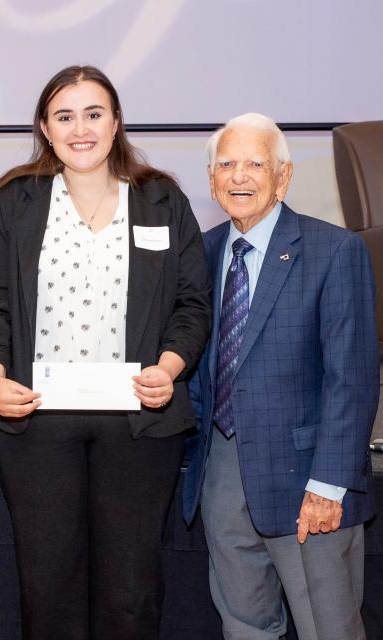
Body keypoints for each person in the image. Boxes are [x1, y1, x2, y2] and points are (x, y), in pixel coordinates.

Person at [0, 65, 212, 639]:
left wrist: (169, 369)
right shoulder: (16, 200)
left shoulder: (160, 199)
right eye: (65, 116)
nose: (81, 129)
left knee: (132, 589)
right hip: (38, 422)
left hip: (138, 423)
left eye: (94, 114)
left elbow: (192, 305)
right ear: (46, 129)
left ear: (116, 121)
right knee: (48, 587)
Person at [182, 113, 378, 640]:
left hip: (308, 482)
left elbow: (352, 380)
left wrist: (328, 485)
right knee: (244, 625)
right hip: (221, 475)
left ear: (283, 176)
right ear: (211, 179)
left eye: (254, 163)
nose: (239, 176)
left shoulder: (335, 251)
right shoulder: (200, 253)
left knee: (329, 628)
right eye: (226, 164)